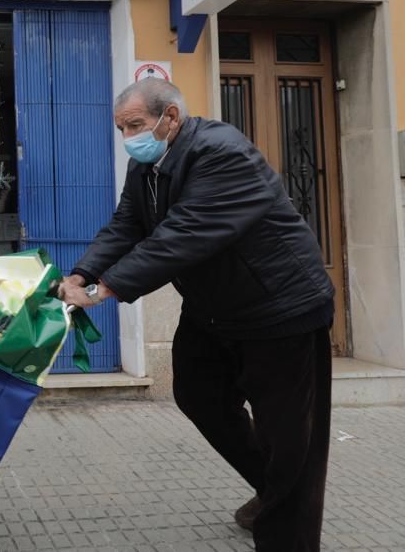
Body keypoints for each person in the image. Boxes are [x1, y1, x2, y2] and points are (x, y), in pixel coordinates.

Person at [58, 78, 334, 552]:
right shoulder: (144, 166)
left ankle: (287, 536)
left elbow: (185, 233)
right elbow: (126, 224)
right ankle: (272, 491)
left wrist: (107, 287)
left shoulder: (221, 152)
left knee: (287, 434)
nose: (128, 137)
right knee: (198, 395)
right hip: (214, 309)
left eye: (136, 125)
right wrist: (83, 272)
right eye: (121, 127)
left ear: (171, 117)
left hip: (280, 308)